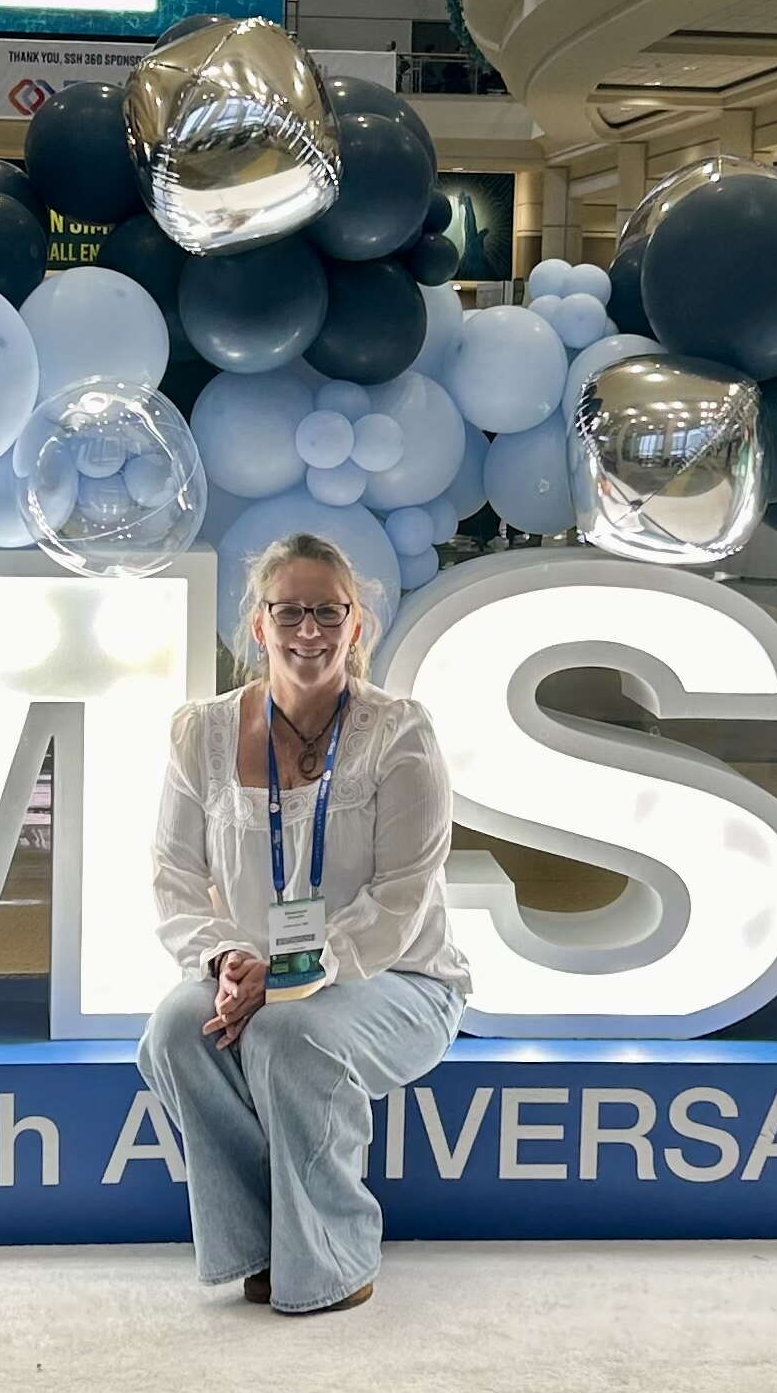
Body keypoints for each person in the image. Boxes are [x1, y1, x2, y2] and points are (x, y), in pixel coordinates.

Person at [137, 535, 468, 1316]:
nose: (308, 630)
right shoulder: (202, 733)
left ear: (357, 627)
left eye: (328, 612)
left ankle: (331, 1256)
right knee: (174, 1029)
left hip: (395, 981)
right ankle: (257, 1241)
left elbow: (399, 902)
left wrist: (287, 978)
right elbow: (174, 876)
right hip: (252, 976)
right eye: (290, 611)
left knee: (290, 1034)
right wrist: (221, 959)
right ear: (259, 627)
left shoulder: (400, 735)